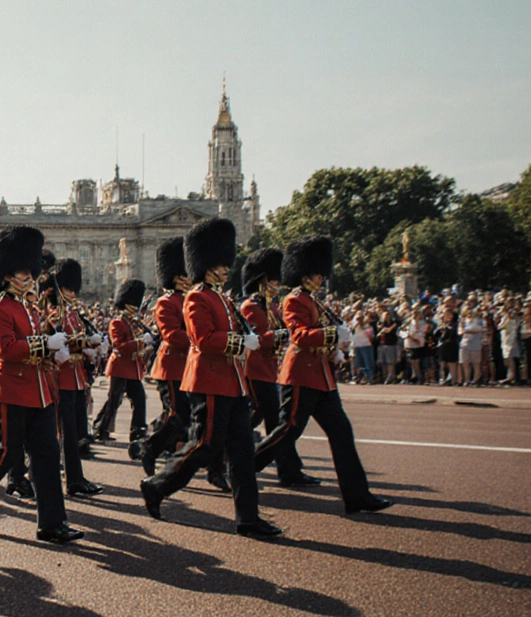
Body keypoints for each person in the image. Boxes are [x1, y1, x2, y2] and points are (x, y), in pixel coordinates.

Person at [139, 218, 280, 538]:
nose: (225, 270)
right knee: (204, 445)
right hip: (209, 382)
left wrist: (250, 340)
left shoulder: (222, 297)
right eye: (218, 266)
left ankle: (248, 518)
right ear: (203, 267)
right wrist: (240, 342)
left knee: (242, 452)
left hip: (233, 381)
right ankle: (157, 486)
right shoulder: (196, 297)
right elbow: (202, 339)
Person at [0, 226, 84, 544]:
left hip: (38, 391)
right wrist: (44, 344)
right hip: (9, 389)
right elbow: (6, 349)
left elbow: (39, 347)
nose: (31, 278)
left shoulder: (30, 308)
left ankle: (52, 523)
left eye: (31, 273)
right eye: (25, 273)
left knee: (48, 455)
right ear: (9, 275)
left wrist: (61, 349)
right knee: (5, 454)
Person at [253, 235, 393, 516]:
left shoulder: (313, 300)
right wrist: (331, 334)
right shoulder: (294, 300)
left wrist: (335, 342)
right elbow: (300, 336)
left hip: (322, 378)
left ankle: (357, 496)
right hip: (302, 377)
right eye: (318, 273)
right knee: (286, 432)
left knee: (342, 433)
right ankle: (242, 467)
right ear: (306, 274)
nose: (321, 278)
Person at [241, 247, 318, 488]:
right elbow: (256, 340)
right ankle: (286, 469)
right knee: (277, 422)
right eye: (272, 281)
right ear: (261, 282)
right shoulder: (250, 307)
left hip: (269, 367)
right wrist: (278, 335)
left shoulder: (272, 307)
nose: (276, 285)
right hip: (254, 369)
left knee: (258, 419)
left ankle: (235, 456)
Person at [45, 259, 104, 499]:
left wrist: (89, 349)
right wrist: (86, 343)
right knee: (66, 431)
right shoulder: (53, 313)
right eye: (68, 288)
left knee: (75, 430)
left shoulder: (72, 314)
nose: (72, 293)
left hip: (75, 376)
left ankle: (74, 476)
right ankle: (73, 479)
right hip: (62, 378)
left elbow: (74, 340)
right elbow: (60, 341)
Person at [137, 237, 193, 479]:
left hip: (191, 367)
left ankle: (175, 454)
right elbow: (171, 335)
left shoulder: (193, 299)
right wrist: (203, 338)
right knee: (177, 415)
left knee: (187, 417)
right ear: (176, 276)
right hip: (172, 367)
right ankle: (150, 447)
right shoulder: (165, 302)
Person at [102, 279, 152, 458]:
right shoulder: (117, 322)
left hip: (131, 368)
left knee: (139, 400)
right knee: (114, 401)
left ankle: (137, 434)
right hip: (120, 367)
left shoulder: (132, 322)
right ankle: (101, 428)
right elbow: (119, 346)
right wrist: (140, 342)